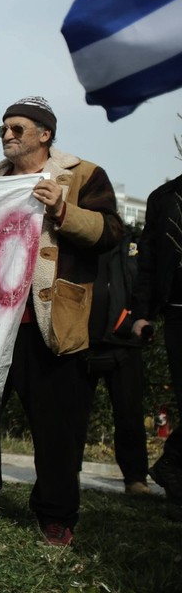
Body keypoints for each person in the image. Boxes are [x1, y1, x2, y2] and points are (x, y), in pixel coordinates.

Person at [0, 97, 122, 546]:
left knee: (57, 424)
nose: (7, 136)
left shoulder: (83, 175)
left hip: (50, 321)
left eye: (18, 128)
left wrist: (61, 209)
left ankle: (56, 514)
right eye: (3, 128)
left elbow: (111, 233)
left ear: (45, 134)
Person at [84, 231, 151, 495]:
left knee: (130, 415)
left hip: (125, 343)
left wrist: (142, 317)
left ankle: (135, 479)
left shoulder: (134, 243)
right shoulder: (82, 239)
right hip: (83, 341)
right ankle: (66, 474)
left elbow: (145, 283)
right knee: (72, 416)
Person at [132, 171, 182, 521]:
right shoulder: (165, 197)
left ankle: (171, 463)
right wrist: (142, 314)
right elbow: (147, 263)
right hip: (178, 312)